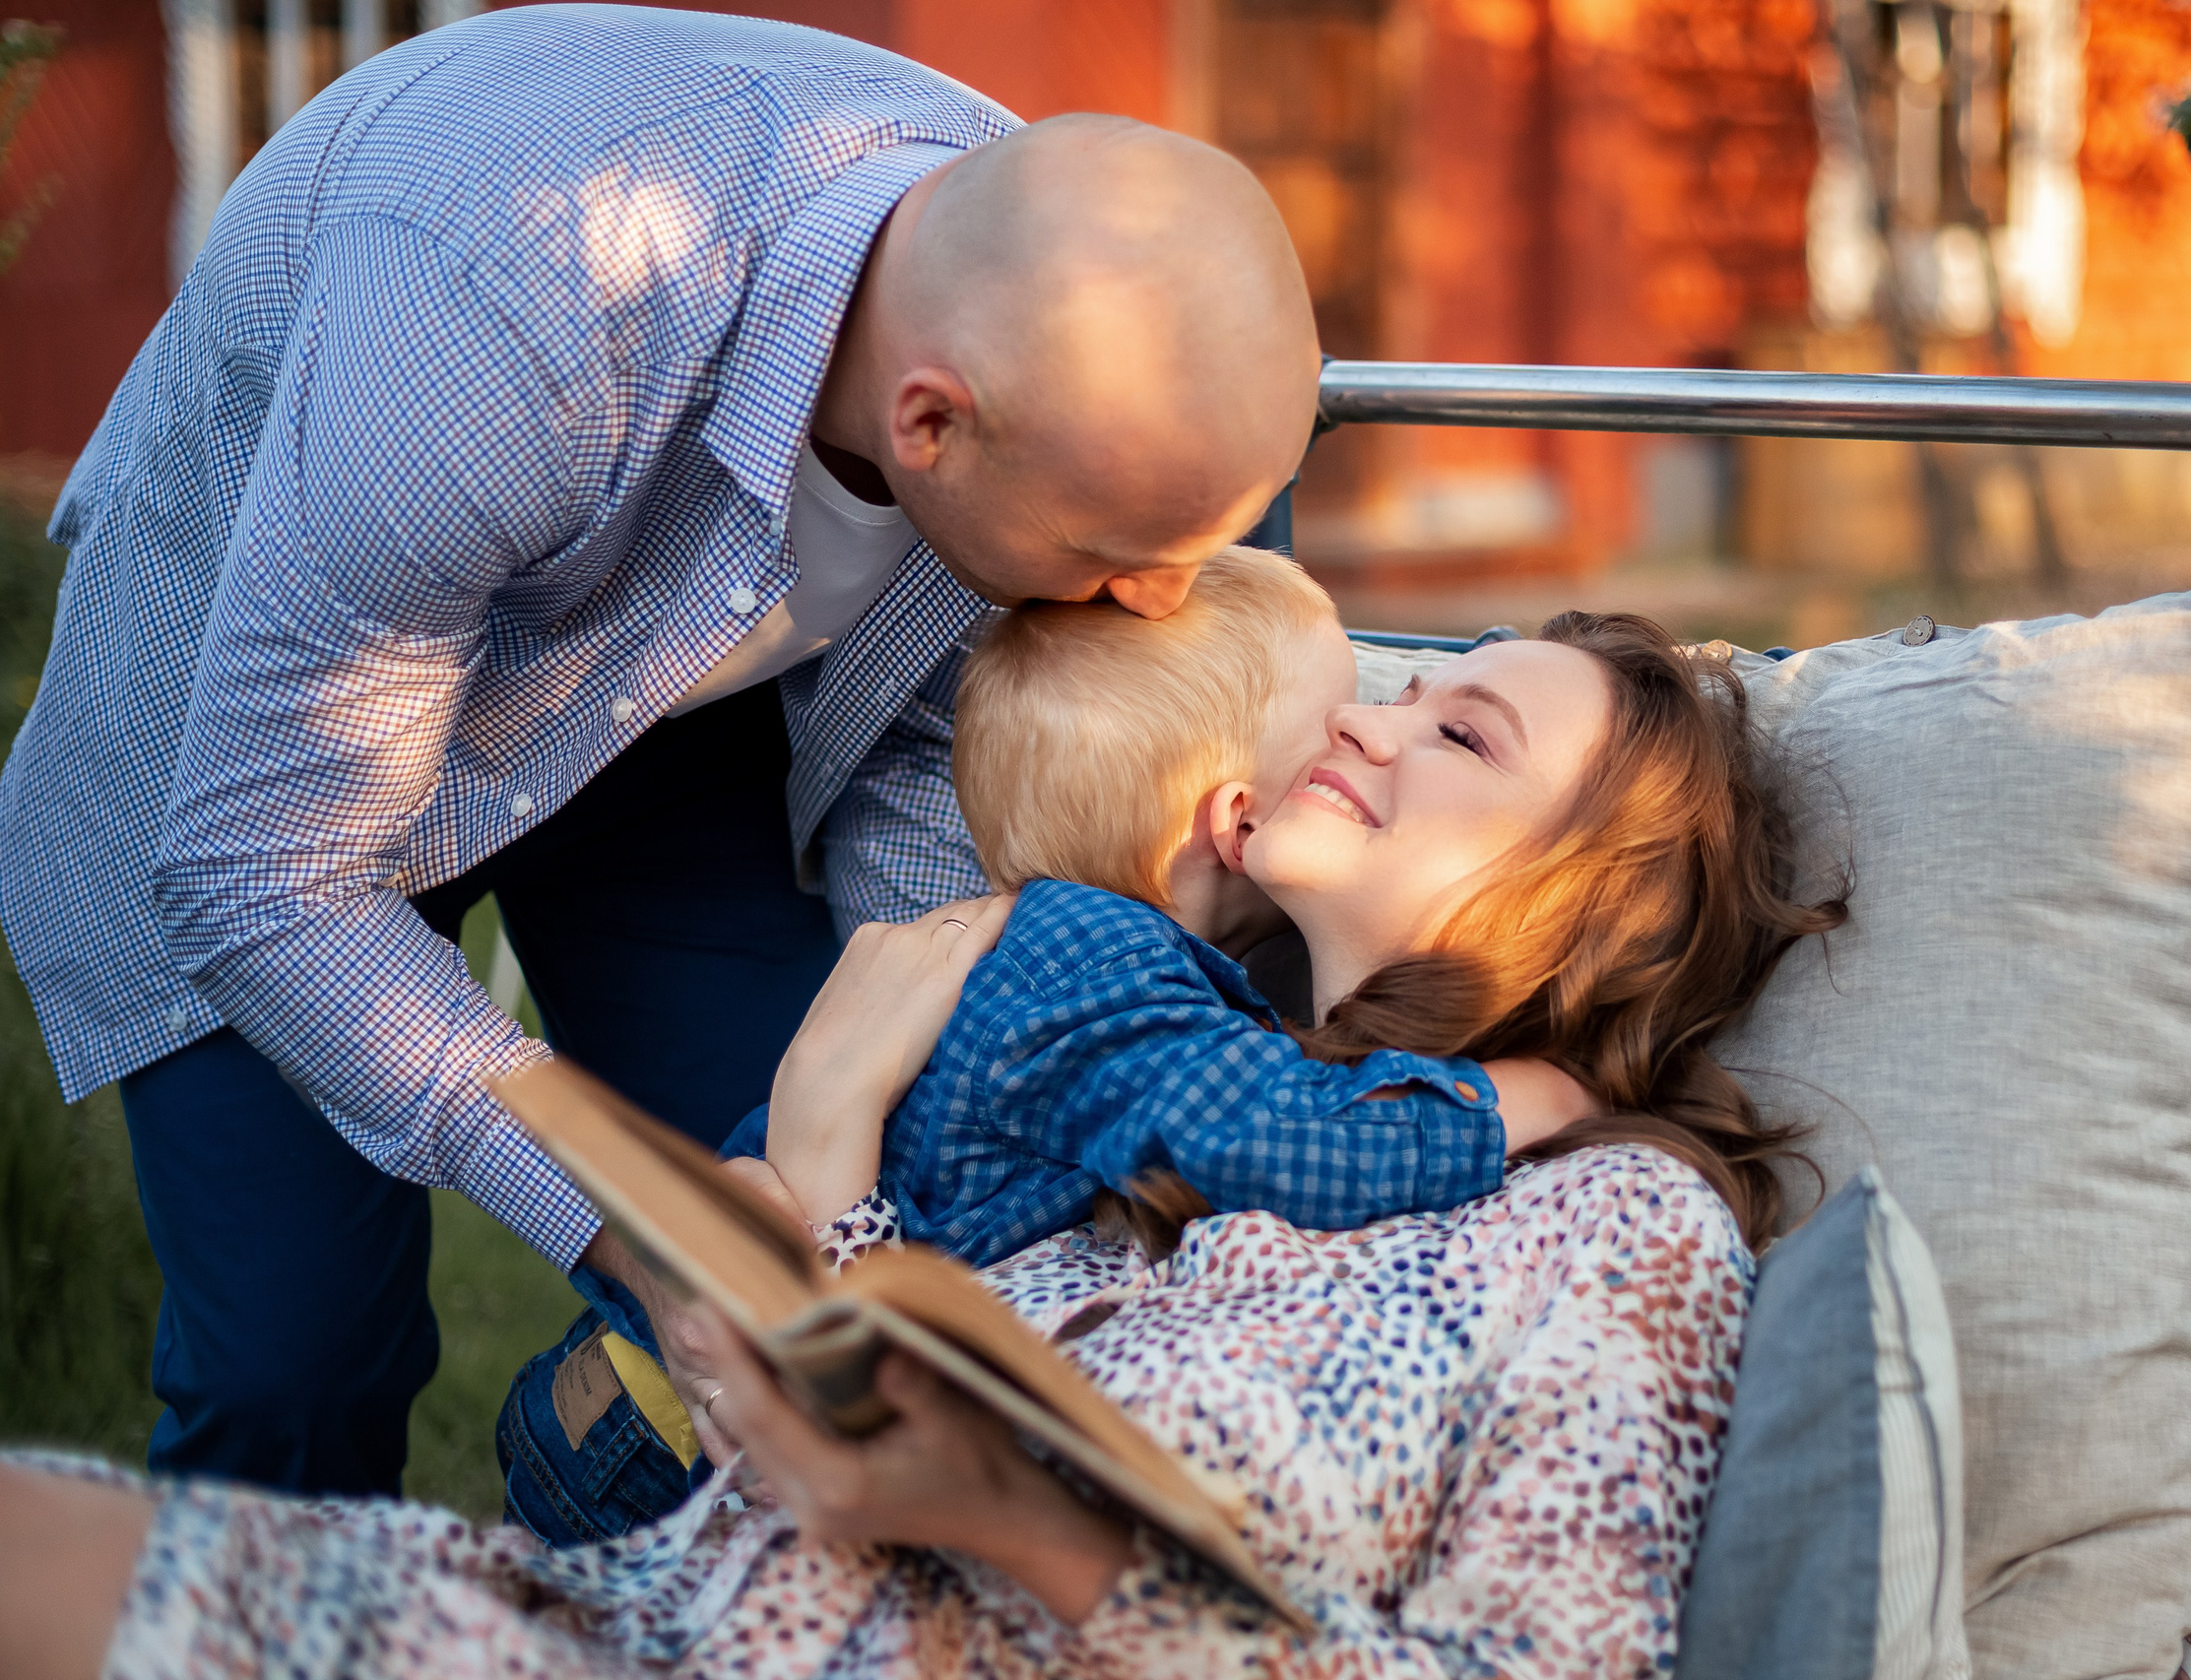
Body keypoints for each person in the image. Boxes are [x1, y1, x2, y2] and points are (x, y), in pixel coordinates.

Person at [0, 4, 1320, 1499]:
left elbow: (918, 759)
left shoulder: (1060, 311)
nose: (1153, 599)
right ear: (929, 421)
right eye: (1113, 553)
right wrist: (644, 1223)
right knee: (292, 1365)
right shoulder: (507, 314)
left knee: (818, 1200)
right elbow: (267, 879)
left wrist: (899, 1083)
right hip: (271, 755)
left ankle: (640, 1580)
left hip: (669, 719)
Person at [0, 611, 1843, 1680]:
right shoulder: (1160, 1064)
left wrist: (1025, 1528)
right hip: (638, 1619)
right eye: (1396, 688)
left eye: (1459, 727)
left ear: (1607, 907)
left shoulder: (1611, 1235)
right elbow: (873, 1380)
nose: (1367, 713)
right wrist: (814, 1165)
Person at [497, 549, 1595, 1544]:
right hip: (661, 1441)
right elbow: (1280, 1137)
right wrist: (1518, 1101)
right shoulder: (1102, 971)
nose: (1360, 733)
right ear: (1237, 820)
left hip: (636, 1397)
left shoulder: (1045, 944)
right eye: (1335, 722)